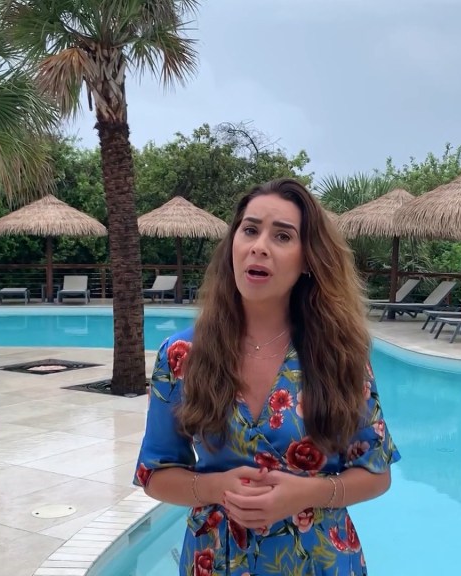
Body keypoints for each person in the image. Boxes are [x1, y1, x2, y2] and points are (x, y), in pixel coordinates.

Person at [133, 177, 400, 575]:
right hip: (218, 559)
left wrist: (307, 493)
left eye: (282, 236)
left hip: (320, 561)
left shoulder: (340, 354)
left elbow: (377, 473)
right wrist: (216, 487)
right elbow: (154, 473)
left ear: (307, 259)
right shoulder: (182, 354)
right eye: (250, 230)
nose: (259, 246)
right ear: (233, 245)